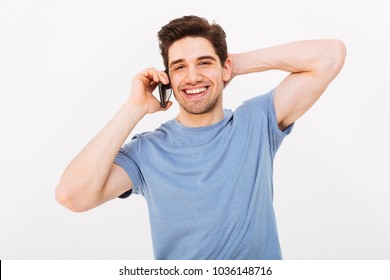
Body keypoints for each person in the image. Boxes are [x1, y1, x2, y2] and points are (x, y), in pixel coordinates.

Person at [55, 15, 346, 259]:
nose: (192, 76)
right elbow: (72, 195)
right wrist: (134, 108)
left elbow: (330, 55)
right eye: (180, 66)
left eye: (203, 62)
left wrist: (228, 65)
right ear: (166, 77)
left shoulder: (256, 121)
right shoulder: (147, 151)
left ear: (225, 68)